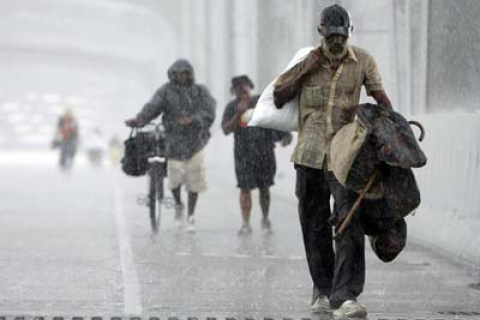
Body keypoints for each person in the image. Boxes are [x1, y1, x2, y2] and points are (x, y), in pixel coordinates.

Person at [273, 4, 393, 318]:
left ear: (349, 33)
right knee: (314, 227)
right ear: (321, 33)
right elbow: (278, 96)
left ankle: (346, 296)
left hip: (346, 157)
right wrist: (306, 68)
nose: (336, 43)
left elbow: (381, 100)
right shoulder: (306, 60)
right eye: (331, 37)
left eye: (341, 36)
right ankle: (322, 291)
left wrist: (394, 131)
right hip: (309, 156)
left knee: (349, 221)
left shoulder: (363, 61)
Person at [125, 59, 216, 233]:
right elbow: (152, 108)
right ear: (173, 75)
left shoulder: (200, 92)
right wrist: (139, 120)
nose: (181, 77)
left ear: (190, 75)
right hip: (173, 142)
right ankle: (178, 204)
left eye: (185, 74)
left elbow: (209, 112)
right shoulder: (166, 92)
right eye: (178, 74)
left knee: (194, 180)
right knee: (174, 178)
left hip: (195, 141)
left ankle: (191, 215)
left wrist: (193, 120)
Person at [222, 75, 292, 236]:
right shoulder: (232, 107)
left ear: (250, 87)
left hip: (265, 152)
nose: (242, 91)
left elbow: (275, 119)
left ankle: (265, 219)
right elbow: (226, 130)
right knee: (244, 189)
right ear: (234, 91)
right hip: (243, 154)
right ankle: (245, 223)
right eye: (238, 88)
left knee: (265, 188)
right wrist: (238, 114)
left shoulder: (262, 103)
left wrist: (285, 134)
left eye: (245, 87)